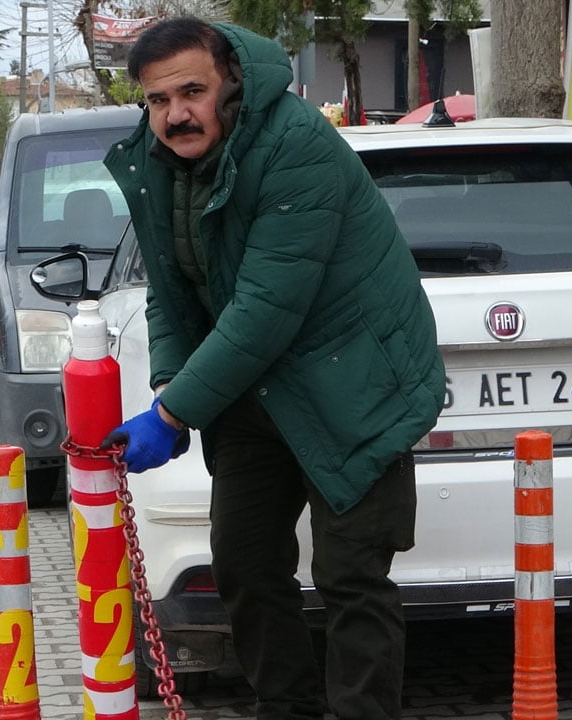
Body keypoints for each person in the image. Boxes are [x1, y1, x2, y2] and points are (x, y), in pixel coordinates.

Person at [101, 17, 445, 720]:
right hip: (255, 394)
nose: (176, 114)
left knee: (351, 576)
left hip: (356, 387)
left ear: (231, 81)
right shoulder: (159, 161)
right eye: (158, 101)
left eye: (192, 91)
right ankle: (284, 709)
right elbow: (170, 293)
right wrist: (170, 381)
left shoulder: (296, 147)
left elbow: (265, 310)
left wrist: (172, 415)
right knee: (246, 565)